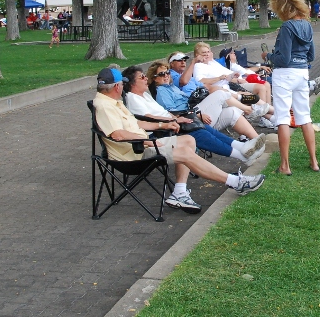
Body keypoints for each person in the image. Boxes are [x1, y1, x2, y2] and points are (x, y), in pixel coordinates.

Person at [93, 67, 265, 213]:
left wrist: (163, 125)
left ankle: (179, 193)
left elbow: (136, 122)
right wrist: (147, 141)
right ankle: (236, 182)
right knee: (184, 149)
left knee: (189, 139)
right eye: (122, 84)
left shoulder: (113, 101)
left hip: (141, 143)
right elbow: (118, 135)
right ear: (116, 86)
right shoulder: (105, 106)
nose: (123, 87)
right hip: (134, 154)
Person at [122, 65, 266, 166]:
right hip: (162, 131)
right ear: (132, 83)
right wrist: (174, 119)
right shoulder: (133, 98)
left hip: (174, 122)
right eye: (142, 77)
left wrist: (182, 116)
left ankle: (242, 146)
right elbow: (147, 118)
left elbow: (164, 112)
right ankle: (241, 152)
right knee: (198, 129)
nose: (145, 79)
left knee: (205, 123)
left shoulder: (144, 96)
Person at [265, 0, 318, 175]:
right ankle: (314, 161)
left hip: (285, 75)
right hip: (302, 73)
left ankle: (285, 165)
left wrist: (269, 56)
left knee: (283, 118)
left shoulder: (287, 27)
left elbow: (284, 59)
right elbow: (312, 55)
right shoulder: (307, 25)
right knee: (304, 117)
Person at [148, 61, 266, 139]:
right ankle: (249, 110)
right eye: (161, 74)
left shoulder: (172, 87)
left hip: (197, 115)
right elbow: (172, 113)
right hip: (190, 121)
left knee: (232, 112)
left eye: (167, 72)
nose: (166, 75)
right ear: (154, 79)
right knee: (219, 93)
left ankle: (257, 140)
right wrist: (197, 114)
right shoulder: (162, 91)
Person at [192, 41, 272, 107]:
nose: (207, 54)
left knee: (263, 86)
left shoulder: (212, 63)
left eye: (208, 52)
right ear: (197, 55)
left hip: (232, 85)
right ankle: (270, 115)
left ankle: (270, 114)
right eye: (204, 53)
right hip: (228, 88)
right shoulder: (198, 66)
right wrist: (225, 78)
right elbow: (200, 81)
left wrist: (232, 76)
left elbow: (228, 76)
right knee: (260, 88)